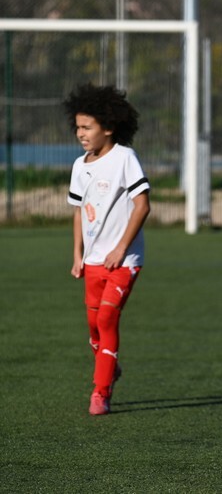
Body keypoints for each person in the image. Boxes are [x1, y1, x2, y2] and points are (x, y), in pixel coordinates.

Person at [64, 83, 151, 416]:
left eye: (87, 127)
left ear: (109, 127)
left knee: (106, 318)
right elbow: (78, 212)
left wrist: (120, 249)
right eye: (78, 127)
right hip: (93, 262)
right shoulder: (79, 165)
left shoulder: (125, 158)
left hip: (124, 261)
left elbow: (142, 206)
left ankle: (100, 393)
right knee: (94, 330)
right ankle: (108, 364)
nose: (80, 133)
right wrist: (78, 255)